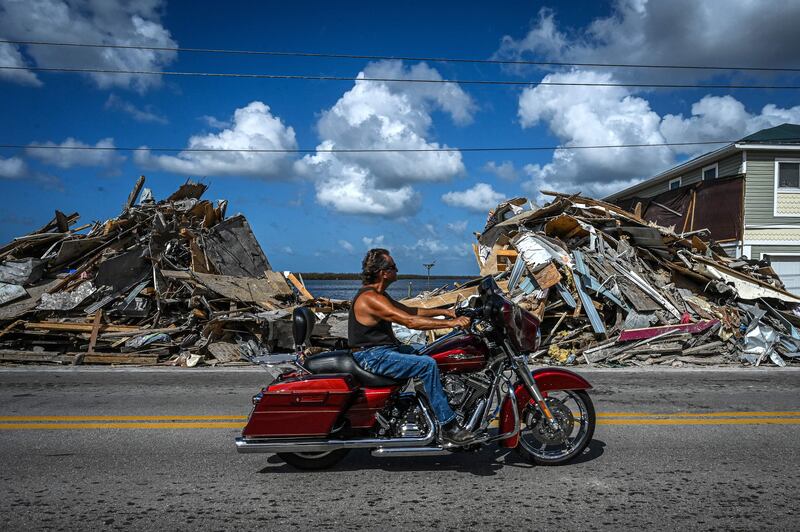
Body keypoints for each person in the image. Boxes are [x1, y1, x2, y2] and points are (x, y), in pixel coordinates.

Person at [348, 248, 473, 444]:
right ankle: (449, 425)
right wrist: (451, 324)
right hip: (373, 356)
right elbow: (410, 322)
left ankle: (431, 405)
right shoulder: (371, 299)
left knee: (431, 352)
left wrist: (447, 312)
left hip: (384, 350)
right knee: (427, 364)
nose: (397, 270)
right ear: (383, 272)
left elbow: (410, 309)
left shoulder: (379, 295)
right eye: (393, 267)